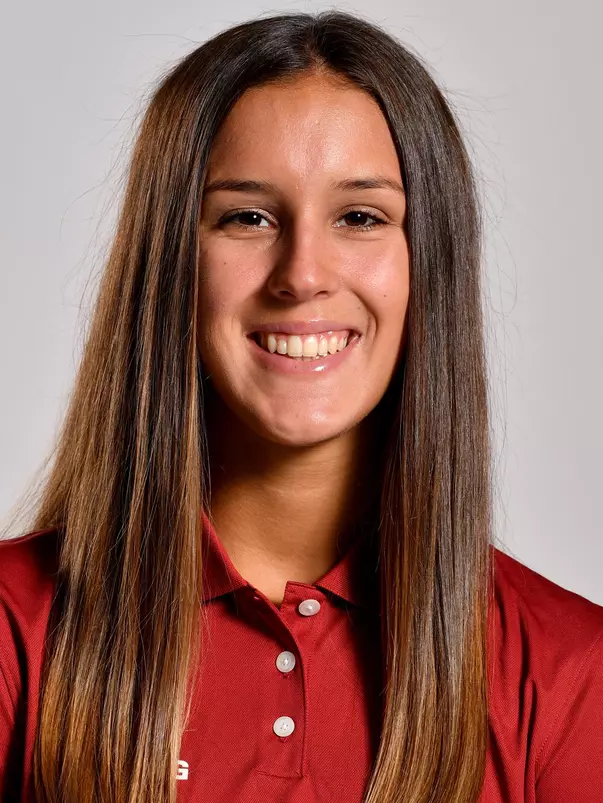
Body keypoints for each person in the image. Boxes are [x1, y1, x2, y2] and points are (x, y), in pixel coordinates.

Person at [1, 9, 602, 803]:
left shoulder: (569, 673)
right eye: (246, 217)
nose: (302, 274)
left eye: (360, 217)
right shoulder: (13, 631)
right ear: (171, 261)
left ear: (429, 263)